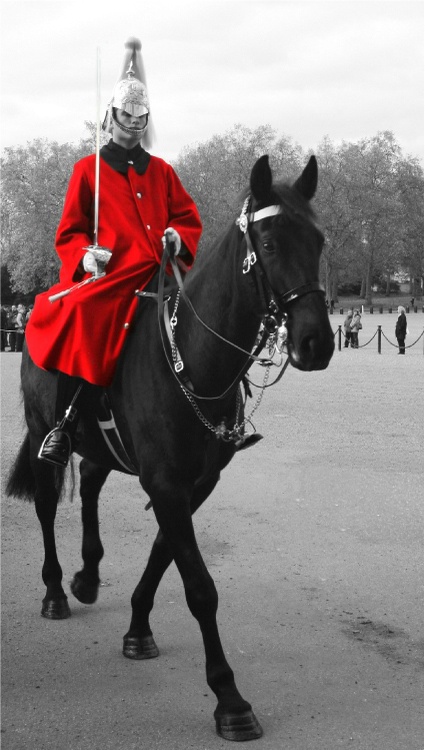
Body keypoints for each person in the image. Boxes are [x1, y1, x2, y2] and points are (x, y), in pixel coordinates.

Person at [25, 37, 202, 467]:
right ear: (111, 116)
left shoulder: (162, 172)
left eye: (139, 118)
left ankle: (219, 410)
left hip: (159, 274)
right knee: (79, 314)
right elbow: (68, 232)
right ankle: (65, 424)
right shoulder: (87, 170)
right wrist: (84, 256)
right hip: (111, 277)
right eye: (125, 116)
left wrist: (178, 236)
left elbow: (187, 217)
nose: (132, 124)